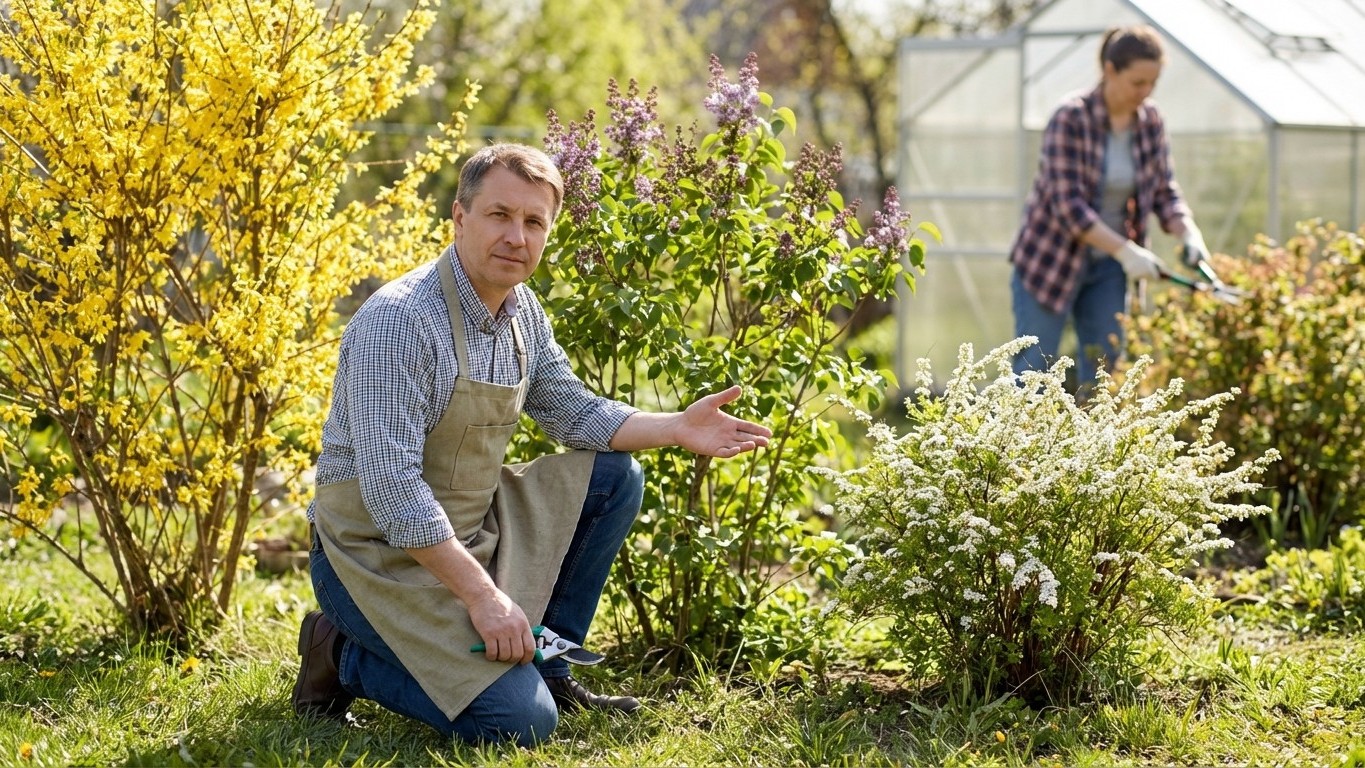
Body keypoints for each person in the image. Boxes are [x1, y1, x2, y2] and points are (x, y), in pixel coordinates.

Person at [291, 143, 772, 747]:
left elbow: (572, 412)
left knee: (613, 478)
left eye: (533, 221)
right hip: (370, 556)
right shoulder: (399, 321)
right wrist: (486, 599)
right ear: (460, 218)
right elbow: (392, 493)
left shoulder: (522, 313)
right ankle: (338, 653)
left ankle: (549, 666)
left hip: (470, 533)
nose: (516, 236)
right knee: (518, 723)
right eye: (499, 215)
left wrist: (675, 426)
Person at [1008, 24, 1210, 388]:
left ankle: (1087, 447)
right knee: (1032, 374)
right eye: (1137, 82)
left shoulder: (1150, 121)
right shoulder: (1070, 118)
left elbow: (1164, 191)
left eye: (1153, 83)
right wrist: (1127, 250)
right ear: (1109, 70)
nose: (1145, 92)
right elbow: (1068, 207)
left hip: (1109, 269)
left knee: (1104, 377)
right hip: (1050, 261)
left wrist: (1187, 231)